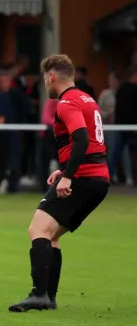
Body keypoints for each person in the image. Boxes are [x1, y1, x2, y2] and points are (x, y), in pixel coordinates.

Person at [9, 54, 109, 313]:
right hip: (97, 178)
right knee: (51, 234)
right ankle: (49, 298)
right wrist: (65, 170)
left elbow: (81, 139)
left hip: (83, 177)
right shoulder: (87, 98)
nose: (45, 83)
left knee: (38, 229)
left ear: (52, 76)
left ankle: (39, 294)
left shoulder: (67, 102)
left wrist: (67, 176)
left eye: (44, 78)